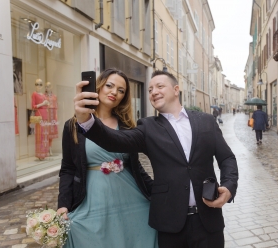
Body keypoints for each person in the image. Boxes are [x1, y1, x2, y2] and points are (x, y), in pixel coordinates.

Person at [73, 70, 238, 248]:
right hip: (170, 225)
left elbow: (227, 158)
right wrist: (86, 120)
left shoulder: (206, 121)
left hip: (208, 220)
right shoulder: (147, 127)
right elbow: (114, 141)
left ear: (176, 90)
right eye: (150, 89)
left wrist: (228, 187)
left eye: (160, 86)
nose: (153, 92)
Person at [57, 68, 158, 248]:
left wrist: (158, 194)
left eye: (121, 91)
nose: (114, 93)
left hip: (130, 197)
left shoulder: (127, 125)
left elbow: (136, 167)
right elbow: (68, 168)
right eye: (110, 86)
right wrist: (63, 204)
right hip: (93, 198)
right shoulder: (73, 126)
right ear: (99, 86)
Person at [31, 78, 50, 160]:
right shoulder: (34, 94)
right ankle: (40, 154)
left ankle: (45, 153)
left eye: (40, 84)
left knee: (45, 135)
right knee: (40, 135)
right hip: (39, 116)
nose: (38, 86)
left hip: (45, 116)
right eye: (37, 84)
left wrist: (47, 103)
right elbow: (33, 106)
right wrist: (42, 103)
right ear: (35, 85)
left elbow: (48, 104)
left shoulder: (43, 95)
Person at [45, 82, 58, 155]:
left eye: (49, 86)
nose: (47, 88)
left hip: (53, 115)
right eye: (46, 86)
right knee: (46, 133)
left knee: (51, 134)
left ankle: (50, 148)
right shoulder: (44, 96)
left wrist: (56, 116)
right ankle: (46, 149)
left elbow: (56, 107)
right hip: (47, 115)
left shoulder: (54, 97)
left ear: (51, 87)